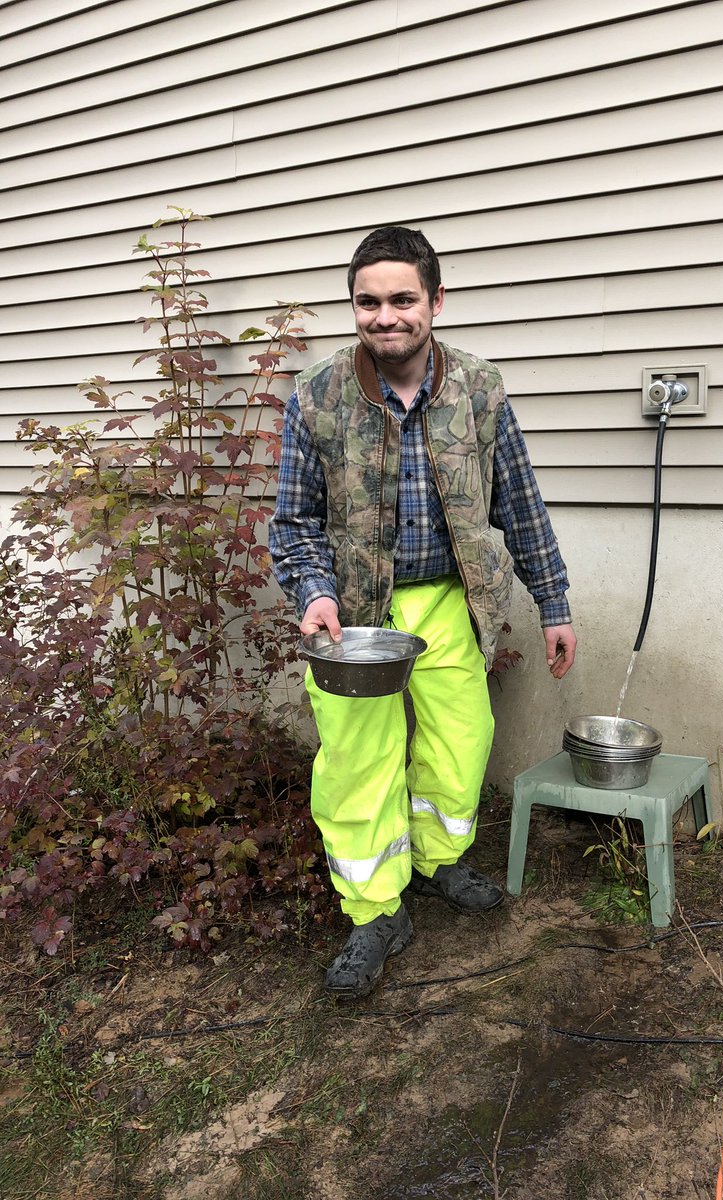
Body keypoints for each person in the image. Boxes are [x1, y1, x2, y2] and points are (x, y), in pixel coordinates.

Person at [269, 226, 576, 998]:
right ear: (354, 307)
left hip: (450, 600)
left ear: (436, 301)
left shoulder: (479, 389)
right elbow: (293, 523)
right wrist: (314, 593)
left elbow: (519, 503)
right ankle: (375, 909)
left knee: (460, 743)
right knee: (357, 761)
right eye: (367, 302)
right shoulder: (317, 396)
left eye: (402, 299)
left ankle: (436, 860)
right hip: (354, 617)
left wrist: (553, 601)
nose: (385, 317)